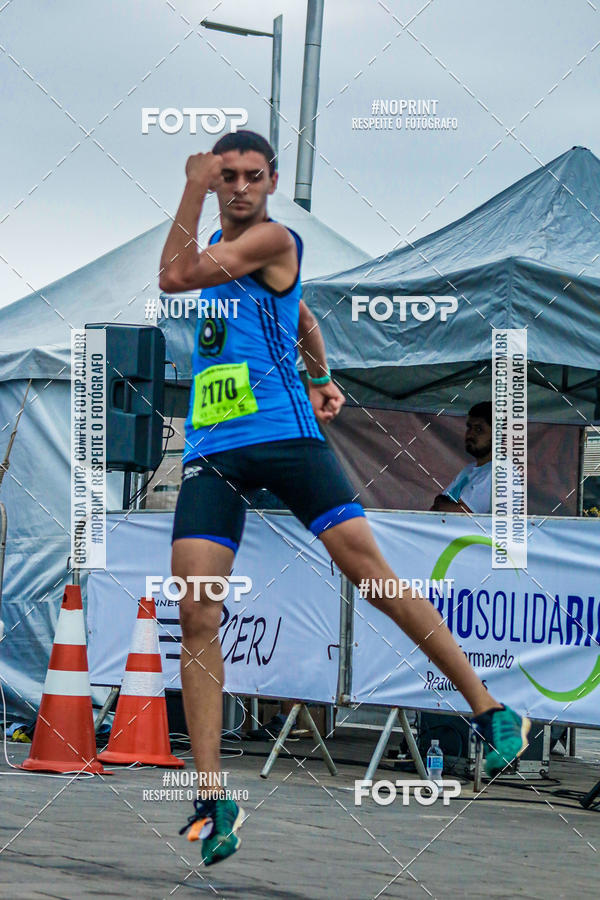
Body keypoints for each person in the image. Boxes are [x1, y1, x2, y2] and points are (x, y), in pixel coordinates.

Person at [159, 131, 530, 866]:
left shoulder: (271, 235)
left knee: (372, 576)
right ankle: (214, 796)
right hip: (212, 449)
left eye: (250, 177)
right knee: (196, 606)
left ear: (270, 183)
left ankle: (489, 710)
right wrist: (325, 374)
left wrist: (192, 183)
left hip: (287, 440)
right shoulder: (231, 253)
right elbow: (300, 317)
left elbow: (172, 278)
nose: (237, 188)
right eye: (225, 175)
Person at [431, 402, 493, 514]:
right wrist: (443, 503)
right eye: (469, 428)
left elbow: (460, 514)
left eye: (479, 430)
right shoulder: (469, 469)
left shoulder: (500, 472)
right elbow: (436, 507)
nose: (470, 435)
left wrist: (444, 504)